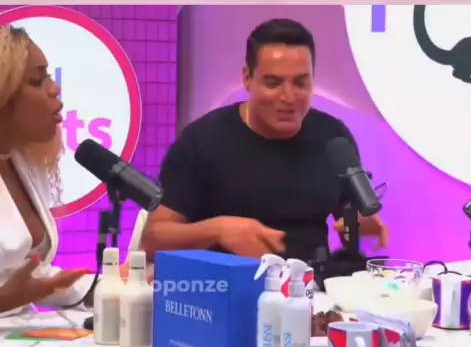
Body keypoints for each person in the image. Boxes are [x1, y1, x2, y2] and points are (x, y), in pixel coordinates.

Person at [141, 18, 389, 262]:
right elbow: (153, 240)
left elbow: (349, 221)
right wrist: (218, 230)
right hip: (223, 283)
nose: (289, 97)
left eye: (300, 83)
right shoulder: (201, 141)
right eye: (273, 83)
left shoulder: (334, 138)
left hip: (312, 283)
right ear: (247, 78)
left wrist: (360, 227)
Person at [0, 24, 93, 315]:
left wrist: (103, 287)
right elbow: (10, 291)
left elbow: (26, 277)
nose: (55, 88)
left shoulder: (22, 162)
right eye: (38, 80)